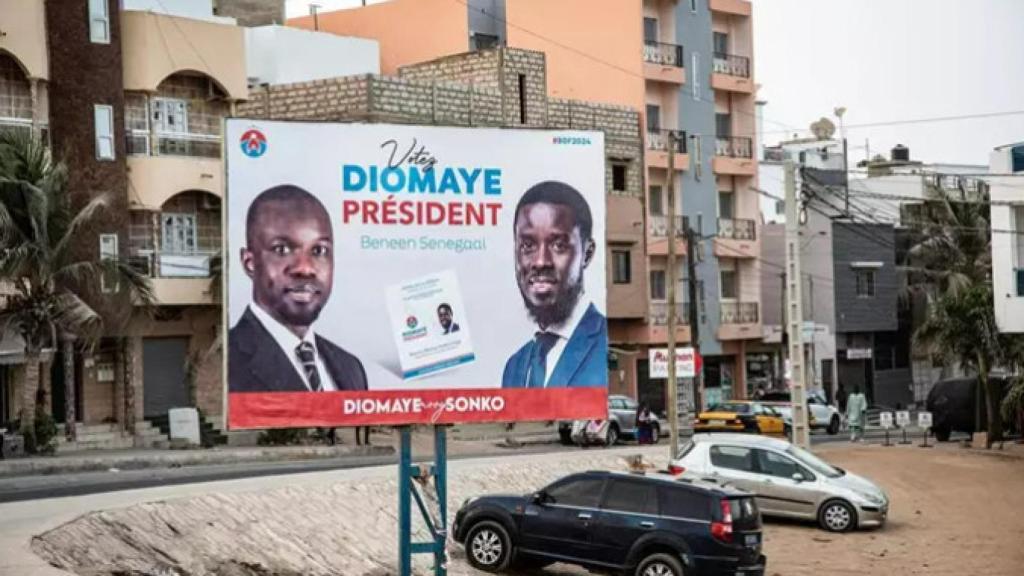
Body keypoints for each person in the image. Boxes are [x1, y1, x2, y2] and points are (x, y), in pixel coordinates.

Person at [229, 185, 367, 393]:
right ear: (249, 263)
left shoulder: (351, 368)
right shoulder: (228, 361)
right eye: (281, 249)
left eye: (319, 250)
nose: (305, 268)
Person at [502, 181, 607, 388]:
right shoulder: (515, 367)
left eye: (559, 245)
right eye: (528, 245)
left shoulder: (604, 347)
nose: (541, 261)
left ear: (587, 253)